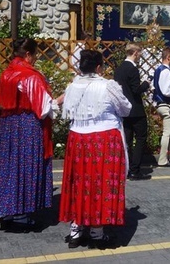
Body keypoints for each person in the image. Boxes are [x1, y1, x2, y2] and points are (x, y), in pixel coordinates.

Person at [60, 50, 132, 249]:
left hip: (78, 138)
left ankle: (76, 227)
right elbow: (126, 108)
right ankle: (96, 231)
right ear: (99, 67)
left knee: (78, 181)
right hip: (103, 138)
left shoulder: (73, 85)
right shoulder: (107, 85)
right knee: (101, 182)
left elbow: (67, 109)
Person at [0, 38, 61, 231]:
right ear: (28, 54)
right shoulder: (30, 76)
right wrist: (59, 100)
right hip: (28, 126)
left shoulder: (7, 73)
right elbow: (43, 108)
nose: (36, 58)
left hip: (9, 125)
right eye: (35, 54)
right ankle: (22, 213)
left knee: (10, 164)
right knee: (26, 166)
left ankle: (9, 208)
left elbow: (0, 101)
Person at [114, 43, 152, 181]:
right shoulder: (132, 69)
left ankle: (127, 168)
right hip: (136, 109)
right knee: (141, 138)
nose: (140, 56)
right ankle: (135, 170)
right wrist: (146, 84)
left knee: (127, 140)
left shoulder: (119, 69)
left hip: (123, 109)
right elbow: (136, 90)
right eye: (140, 53)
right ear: (135, 53)